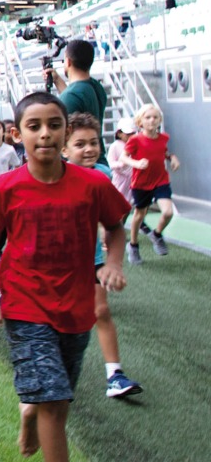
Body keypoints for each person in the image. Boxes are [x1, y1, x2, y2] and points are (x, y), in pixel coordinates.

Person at [0, 91, 129, 462]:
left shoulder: (92, 184)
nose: (45, 134)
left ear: (65, 131)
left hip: (77, 306)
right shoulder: (5, 189)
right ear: (18, 134)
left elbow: (116, 227)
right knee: (57, 404)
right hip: (24, 305)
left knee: (54, 395)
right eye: (34, 126)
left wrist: (112, 264)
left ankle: (30, 410)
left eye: (54, 124)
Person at [63, 112, 143, 398]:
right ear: (64, 148)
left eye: (94, 143)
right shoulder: (54, 176)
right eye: (80, 144)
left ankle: (115, 375)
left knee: (101, 311)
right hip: (57, 264)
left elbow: (113, 220)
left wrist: (112, 260)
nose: (89, 149)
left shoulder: (103, 175)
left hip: (92, 257)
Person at [123, 104, 180, 265]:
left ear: (159, 120)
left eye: (155, 117)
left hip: (160, 180)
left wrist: (172, 157)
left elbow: (163, 151)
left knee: (168, 212)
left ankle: (157, 234)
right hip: (141, 183)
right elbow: (123, 157)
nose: (152, 120)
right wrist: (136, 163)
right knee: (139, 215)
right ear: (140, 121)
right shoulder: (135, 140)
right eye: (148, 117)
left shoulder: (163, 138)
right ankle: (133, 245)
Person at [44, 40, 108, 165]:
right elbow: (75, 97)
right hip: (98, 162)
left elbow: (71, 99)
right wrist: (57, 80)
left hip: (83, 166)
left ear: (68, 61)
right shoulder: (95, 86)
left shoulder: (71, 95)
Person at [107, 118, 152, 237]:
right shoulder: (115, 146)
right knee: (120, 207)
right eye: (127, 134)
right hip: (120, 181)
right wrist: (120, 164)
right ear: (119, 133)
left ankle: (136, 224)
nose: (130, 136)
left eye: (132, 133)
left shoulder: (136, 144)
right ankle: (115, 232)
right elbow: (110, 163)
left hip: (135, 179)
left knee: (133, 206)